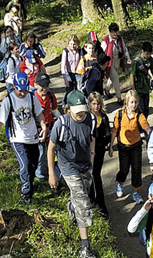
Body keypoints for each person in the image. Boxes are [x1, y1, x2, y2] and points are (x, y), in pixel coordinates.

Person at [47, 90, 97, 258]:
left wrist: (92, 156)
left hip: (85, 165)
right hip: (68, 167)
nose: (80, 114)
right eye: (77, 112)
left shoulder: (91, 119)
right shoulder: (61, 124)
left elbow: (92, 137)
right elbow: (51, 149)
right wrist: (51, 174)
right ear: (68, 109)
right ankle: (85, 247)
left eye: (83, 110)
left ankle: (71, 205)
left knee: (81, 194)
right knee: (83, 204)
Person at [0, 72, 47, 204]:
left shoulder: (31, 97)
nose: (22, 93)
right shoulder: (8, 101)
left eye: (25, 89)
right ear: (14, 86)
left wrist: (43, 126)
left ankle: (30, 184)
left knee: (33, 164)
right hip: (17, 139)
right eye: (20, 90)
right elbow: (1, 121)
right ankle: (26, 194)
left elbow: (39, 114)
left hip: (32, 137)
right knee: (25, 165)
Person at [110, 90, 151, 204]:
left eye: (136, 102)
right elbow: (114, 130)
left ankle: (135, 192)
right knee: (124, 169)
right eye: (132, 102)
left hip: (136, 146)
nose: (134, 105)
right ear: (126, 102)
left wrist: (150, 133)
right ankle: (119, 182)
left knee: (136, 169)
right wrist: (110, 146)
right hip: (123, 147)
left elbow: (145, 125)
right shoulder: (119, 115)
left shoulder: (139, 115)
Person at [87, 92, 111, 218]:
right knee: (91, 175)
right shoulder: (86, 117)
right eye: (94, 104)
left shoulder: (104, 117)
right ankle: (95, 200)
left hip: (100, 151)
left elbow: (108, 133)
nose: (96, 107)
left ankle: (98, 202)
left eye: (98, 104)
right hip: (89, 151)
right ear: (90, 104)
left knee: (96, 174)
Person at [34, 73, 60, 180]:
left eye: (47, 86)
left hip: (51, 128)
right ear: (35, 85)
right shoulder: (32, 98)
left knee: (54, 149)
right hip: (37, 130)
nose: (45, 89)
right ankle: (41, 174)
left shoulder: (51, 96)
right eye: (42, 86)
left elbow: (54, 110)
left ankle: (55, 171)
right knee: (41, 153)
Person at [101, 23, 131, 103]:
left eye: (116, 32)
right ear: (110, 32)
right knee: (116, 79)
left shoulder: (120, 39)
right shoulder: (106, 40)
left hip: (117, 61)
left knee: (113, 78)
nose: (115, 34)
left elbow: (124, 48)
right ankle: (119, 98)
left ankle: (106, 89)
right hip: (109, 64)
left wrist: (128, 57)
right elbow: (101, 53)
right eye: (113, 32)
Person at [130, 41, 153, 117]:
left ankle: (144, 123)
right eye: (147, 54)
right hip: (138, 87)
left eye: (149, 54)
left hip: (146, 87)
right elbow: (132, 75)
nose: (148, 55)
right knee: (141, 108)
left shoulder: (150, 60)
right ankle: (140, 125)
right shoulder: (137, 61)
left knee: (146, 108)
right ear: (142, 51)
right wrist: (133, 88)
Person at [61, 35, 82, 105]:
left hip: (77, 73)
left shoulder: (79, 50)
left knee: (78, 89)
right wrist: (65, 79)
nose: (72, 46)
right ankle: (65, 103)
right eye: (71, 44)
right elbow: (63, 65)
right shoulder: (66, 51)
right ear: (68, 43)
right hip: (68, 73)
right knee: (69, 90)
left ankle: (76, 103)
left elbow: (82, 62)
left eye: (74, 44)